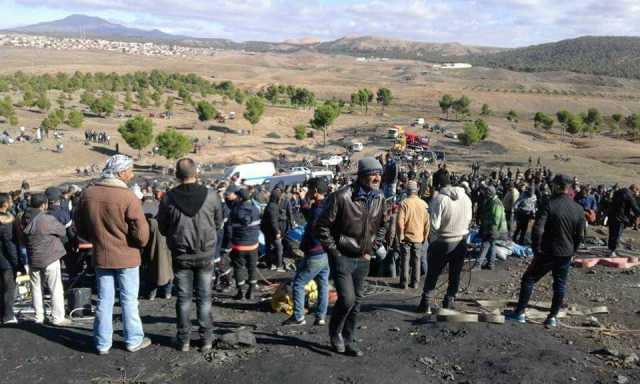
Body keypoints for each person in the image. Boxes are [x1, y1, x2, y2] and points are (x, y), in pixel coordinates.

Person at [75, 154, 151, 355]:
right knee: (128, 301)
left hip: (101, 255)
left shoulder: (88, 194)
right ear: (121, 172)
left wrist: (97, 239)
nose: (132, 174)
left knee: (104, 300)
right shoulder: (128, 196)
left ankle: (102, 343)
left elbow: (80, 228)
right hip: (127, 256)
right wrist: (135, 243)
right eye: (130, 170)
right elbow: (142, 234)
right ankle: (133, 340)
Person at [316, 157, 387, 357]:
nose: (377, 177)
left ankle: (349, 339)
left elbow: (383, 225)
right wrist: (335, 253)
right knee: (347, 300)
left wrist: (373, 248)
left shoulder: (379, 197)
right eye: (373, 173)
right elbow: (321, 227)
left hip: (363, 257)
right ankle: (335, 334)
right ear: (362, 175)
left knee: (357, 302)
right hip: (342, 257)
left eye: (379, 173)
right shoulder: (341, 197)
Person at [158, 158, 223, 352]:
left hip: (181, 255)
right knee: (204, 297)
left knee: (184, 299)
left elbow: (162, 227)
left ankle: (184, 340)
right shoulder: (211, 196)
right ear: (196, 173)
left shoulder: (168, 198)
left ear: (177, 175)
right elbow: (218, 223)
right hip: (205, 253)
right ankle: (206, 340)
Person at [507, 175, 585, 327]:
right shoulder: (578, 208)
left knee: (529, 279)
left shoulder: (549, 204)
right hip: (565, 253)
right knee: (560, 285)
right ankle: (552, 317)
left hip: (548, 251)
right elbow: (580, 235)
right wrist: (572, 251)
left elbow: (537, 230)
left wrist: (537, 249)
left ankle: (520, 313)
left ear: (556, 186)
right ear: (569, 188)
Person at [417, 176, 472, 314]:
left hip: (442, 242)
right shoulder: (466, 198)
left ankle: (426, 303)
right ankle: (449, 301)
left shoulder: (440, 199)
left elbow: (434, 225)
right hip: (460, 241)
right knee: (455, 274)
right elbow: (469, 220)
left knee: (433, 274)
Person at [283, 178, 331, 326]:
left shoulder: (317, 210)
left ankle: (298, 316)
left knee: (298, 283)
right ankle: (321, 316)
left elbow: (312, 229)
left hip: (315, 253)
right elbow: (309, 214)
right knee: (323, 284)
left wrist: (305, 248)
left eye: (310, 189)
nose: (308, 192)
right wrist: (303, 200)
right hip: (325, 252)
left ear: (315, 191)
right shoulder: (327, 206)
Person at [20, 193, 70, 326]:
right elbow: (62, 231)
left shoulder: (23, 217)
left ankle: (38, 316)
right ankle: (57, 317)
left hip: (33, 258)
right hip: (50, 257)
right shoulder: (45, 219)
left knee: (36, 288)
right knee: (55, 288)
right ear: (43, 205)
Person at [229, 188, 261, 300]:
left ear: (240, 198)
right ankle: (251, 291)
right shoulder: (256, 210)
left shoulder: (234, 211)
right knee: (252, 268)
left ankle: (240, 292)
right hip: (253, 245)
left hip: (238, 246)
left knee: (238, 268)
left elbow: (230, 229)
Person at [397, 180, 430, 289]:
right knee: (417, 260)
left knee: (405, 260)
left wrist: (400, 235)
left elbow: (400, 222)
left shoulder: (404, 203)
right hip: (419, 238)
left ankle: (404, 283)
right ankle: (415, 283)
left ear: (407, 191)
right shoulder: (424, 204)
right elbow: (427, 224)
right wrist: (425, 237)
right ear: (416, 190)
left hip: (406, 237)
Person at [476, 186, 508, 270]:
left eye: (487, 193)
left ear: (490, 194)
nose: (485, 195)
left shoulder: (496, 203)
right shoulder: (491, 201)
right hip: (492, 228)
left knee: (485, 245)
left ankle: (478, 265)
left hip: (493, 229)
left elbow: (495, 220)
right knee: (492, 245)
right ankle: (491, 264)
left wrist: (489, 231)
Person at [0, 193, 19, 325]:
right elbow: (9, 244)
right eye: (10, 200)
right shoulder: (6, 221)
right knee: (8, 289)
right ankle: (8, 315)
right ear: (5, 204)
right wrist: (16, 262)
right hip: (5, 260)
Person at [607, 185, 640, 257]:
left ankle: (610, 249)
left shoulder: (618, 192)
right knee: (617, 233)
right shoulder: (629, 195)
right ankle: (612, 251)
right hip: (620, 217)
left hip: (611, 215)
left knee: (611, 233)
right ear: (635, 190)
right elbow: (634, 207)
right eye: (637, 191)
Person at [261, 184, 284, 271]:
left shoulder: (270, 205)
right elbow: (273, 221)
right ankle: (279, 265)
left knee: (268, 247)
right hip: (272, 231)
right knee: (279, 248)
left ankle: (270, 264)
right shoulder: (273, 207)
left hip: (267, 230)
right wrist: (277, 232)